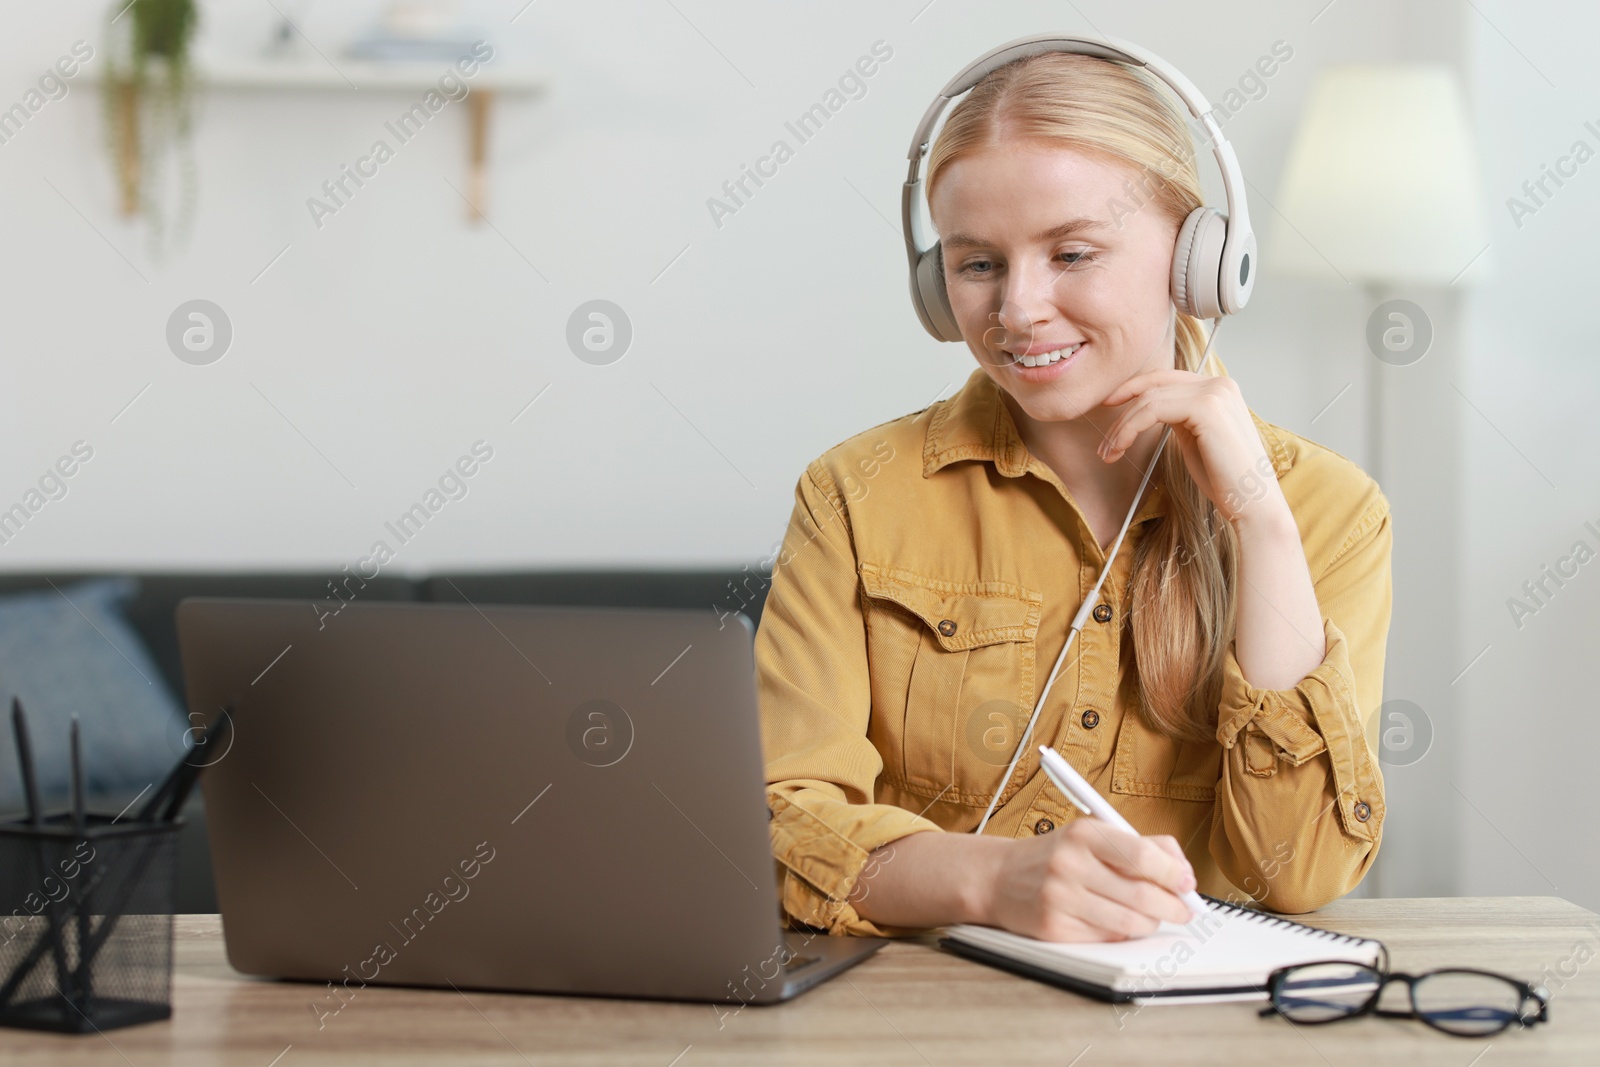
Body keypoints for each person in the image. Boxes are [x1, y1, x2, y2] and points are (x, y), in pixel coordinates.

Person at [754, 49, 1392, 943]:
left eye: (1073, 252)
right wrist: (991, 879)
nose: (1019, 309)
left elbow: (1299, 874)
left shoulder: (1330, 509)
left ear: (1196, 258)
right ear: (937, 287)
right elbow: (781, 823)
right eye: (978, 264)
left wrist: (1262, 526)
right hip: (914, 1016)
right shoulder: (856, 494)